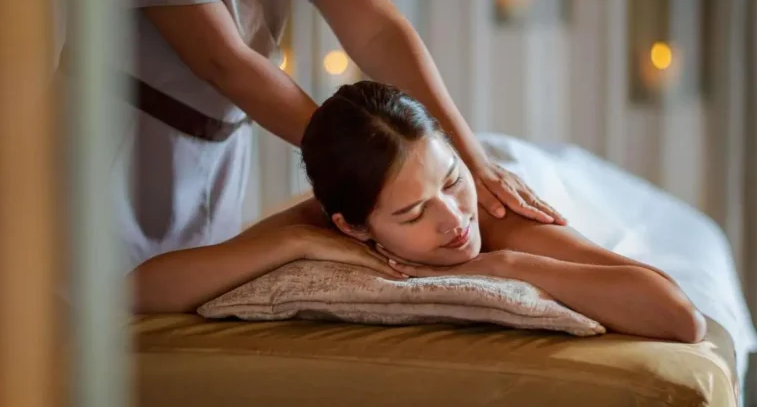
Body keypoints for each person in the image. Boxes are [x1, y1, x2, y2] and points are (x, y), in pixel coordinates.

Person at [116, 0, 564, 275]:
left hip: (221, 155)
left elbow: (377, 32)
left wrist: (468, 158)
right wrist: (376, 163)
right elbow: (223, 61)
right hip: (119, 148)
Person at [133, 81, 707, 344]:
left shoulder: (488, 209)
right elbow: (139, 290)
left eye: (449, 186)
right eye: (411, 215)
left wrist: (512, 264)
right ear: (351, 227)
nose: (453, 222)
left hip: (536, 174)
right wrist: (290, 244)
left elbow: (681, 317)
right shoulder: (327, 216)